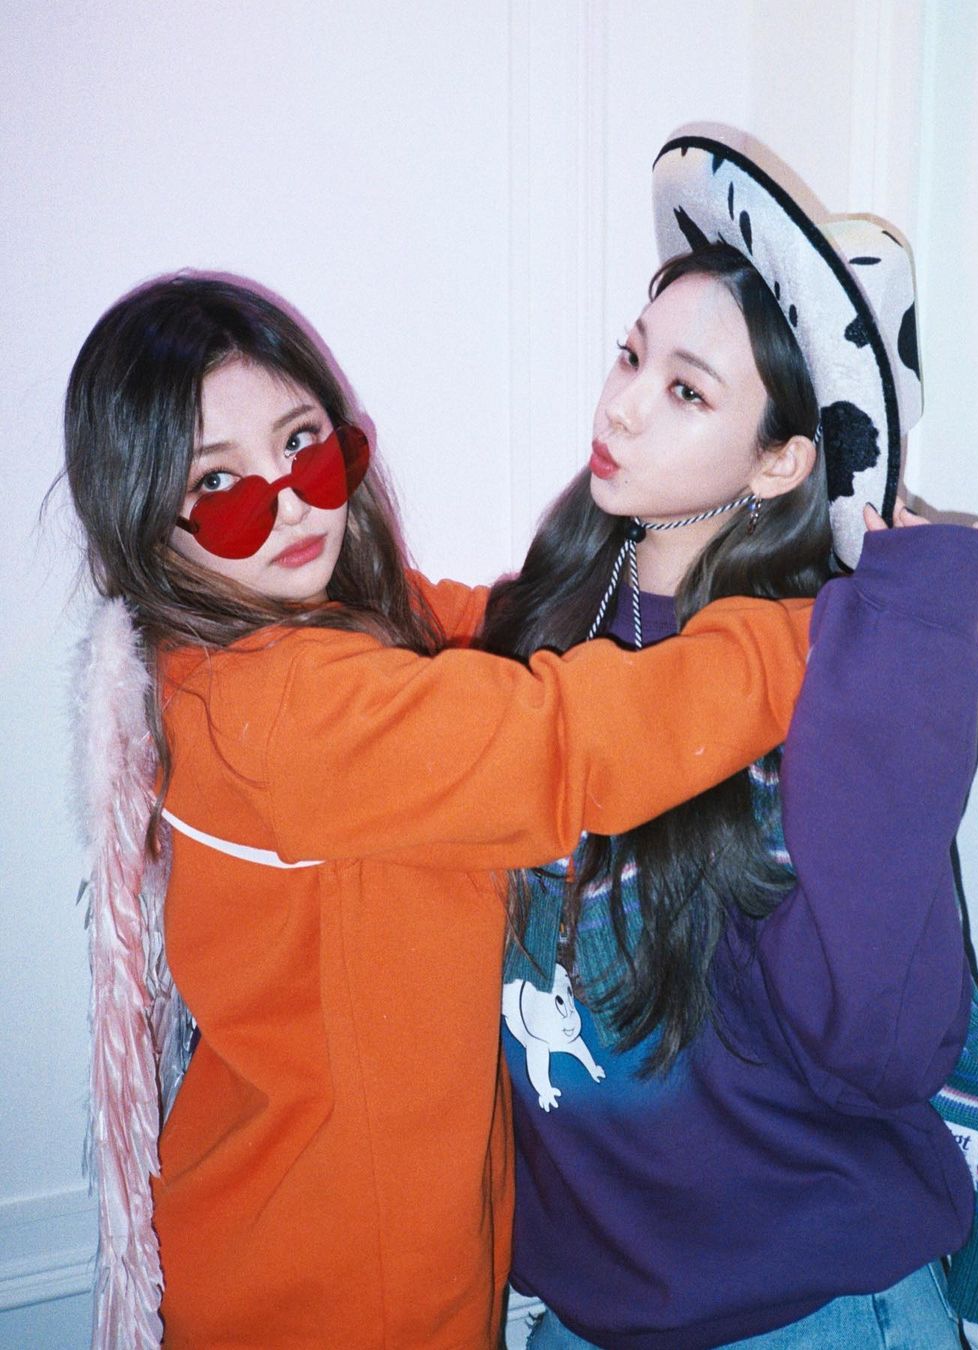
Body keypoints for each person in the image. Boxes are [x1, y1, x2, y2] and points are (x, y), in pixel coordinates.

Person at [65, 271, 837, 1349]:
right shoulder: (288, 714)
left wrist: (600, 596)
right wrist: (816, 631)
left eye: (304, 445)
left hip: (292, 1218)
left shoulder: (260, 643)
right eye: (220, 486)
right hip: (340, 1286)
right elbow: (562, 744)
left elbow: (480, 633)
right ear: (146, 522)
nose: (290, 504)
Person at [480, 127, 978, 1348]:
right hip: (591, 1312)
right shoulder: (547, 627)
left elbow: (885, 1048)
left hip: (811, 1310)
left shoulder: (806, 693)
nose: (620, 404)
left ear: (782, 462)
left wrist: (909, 633)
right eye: (632, 355)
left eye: (686, 390)